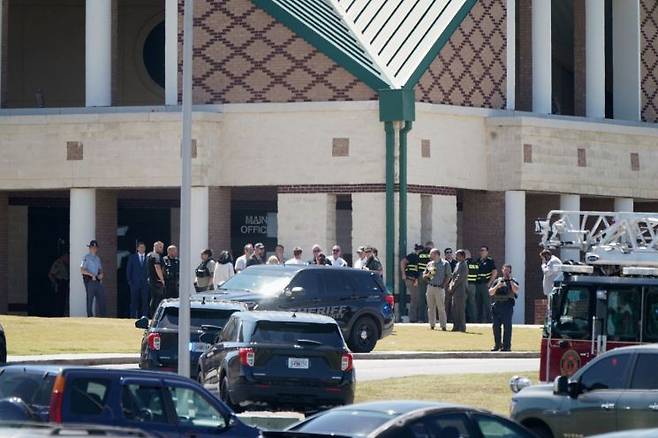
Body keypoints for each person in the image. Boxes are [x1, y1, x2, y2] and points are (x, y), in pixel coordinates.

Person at [488, 264, 519, 351]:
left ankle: (506, 346)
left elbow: (516, 290)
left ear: (510, 271)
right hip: (497, 306)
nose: (506, 272)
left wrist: (510, 281)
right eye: (505, 270)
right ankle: (497, 345)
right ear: (502, 270)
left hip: (507, 306)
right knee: (496, 327)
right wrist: (498, 285)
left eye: (508, 270)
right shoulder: (498, 280)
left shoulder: (513, 281)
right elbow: (490, 292)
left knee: (507, 327)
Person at [423, 248, 452, 331]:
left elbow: (448, 275)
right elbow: (425, 275)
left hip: (439, 288)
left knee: (441, 307)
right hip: (430, 287)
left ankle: (443, 325)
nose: (430, 255)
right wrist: (426, 276)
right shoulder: (430, 264)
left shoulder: (445, 264)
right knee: (430, 307)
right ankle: (432, 325)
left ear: (436, 254)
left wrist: (444, 285)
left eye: (431, 254)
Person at [80, 240, 106, 317]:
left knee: (101, 299)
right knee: (90, 300)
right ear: (90, 248)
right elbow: (82, 270)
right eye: (92, 247)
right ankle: (90, 317)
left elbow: (100, 269)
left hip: (97, 281)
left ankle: (103, 317)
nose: (94, 249)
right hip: (90, 281)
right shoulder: (86, 257)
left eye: (95, 247)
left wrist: (101, 274)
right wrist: (91, 275)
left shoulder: (98, 258)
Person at [400, 244, 423, 323]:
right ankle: (413, 318)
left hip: (415, 280)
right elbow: (403, 262)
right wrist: (403, 274)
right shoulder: (412, 256)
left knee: (417, 298)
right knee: (415, 298)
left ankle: (418, 317)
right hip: (410, 280)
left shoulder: (419, 258)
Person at [126, 241, 149, 318]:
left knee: (145, 301)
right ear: (137, 248)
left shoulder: (148, 258)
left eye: (143, 247)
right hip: (135, 284)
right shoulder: (132, 257)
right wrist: (130, 282)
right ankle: (133, 317)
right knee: (134, 302)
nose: (142, 249)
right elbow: (129, 270)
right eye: (141, 247)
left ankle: (144, 317)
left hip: (145, 284)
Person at [476, 245, 498, 323]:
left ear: (487, 252)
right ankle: (479, 321)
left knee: (487, 304)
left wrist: (490, 283)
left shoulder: (490, 261)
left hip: (485, 285)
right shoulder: (477, 261)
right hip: (478, 285)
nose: (482, 252)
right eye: (481, 250)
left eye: (483, 250)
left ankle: (490, 321)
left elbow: (494, 272)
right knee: (478, 304)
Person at [449, 250, 468, 332]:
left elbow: (459, 278)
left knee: (460, 309)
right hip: (455, 290)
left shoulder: (464, 265)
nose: (456, 257)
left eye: (458, 255)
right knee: (454, 309)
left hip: (460, 290)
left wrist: (452, 286)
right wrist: (450, 285)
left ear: (463, 256)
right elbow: (453, 276)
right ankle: (455, 326)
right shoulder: (457, 264)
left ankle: (462, 327)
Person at [147, 241, 166, 316]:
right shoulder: (156, 256)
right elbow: (157, 267)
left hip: (151, 280)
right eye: (160, 247)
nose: (162, 249)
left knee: (153, 298)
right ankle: (155, 315)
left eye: (162, 247)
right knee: (157, 299)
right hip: (156, 281)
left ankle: (152, 315)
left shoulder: (149, 255)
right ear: (155, 247)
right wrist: (162, 279)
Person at [416, 241, 433, 323]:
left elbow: (417, 266)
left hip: (420, 276)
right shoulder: (432, 254)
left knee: (421, 298)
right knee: (430, 298)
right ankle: (429, 319)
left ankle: (420, 318)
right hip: (429, 276)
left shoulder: (420, 254)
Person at [48, 252, 69, 316]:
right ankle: (58, 314)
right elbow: (50, 274)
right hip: (60, 283)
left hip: (65, 284)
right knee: (59, 301)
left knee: (64, 301)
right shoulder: (58, 263)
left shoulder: (66, 264)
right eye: (67, 256)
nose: (68, 258)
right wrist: (55, 284)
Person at [465, 249, 479, 323]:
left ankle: (464, 320)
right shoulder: (476, 263)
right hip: (473, 285)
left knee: (463, 303)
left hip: (466, 285)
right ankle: (473, 320)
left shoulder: (465, 263)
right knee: (472, 304)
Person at [444, 248, 458, 323]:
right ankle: (445, 319)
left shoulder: (456, 263)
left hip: (454, 284)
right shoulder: (443, 263)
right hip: (446, 284)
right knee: (446, 302)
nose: (449, 254)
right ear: (445, 254)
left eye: (450, 252)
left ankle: (453, 319)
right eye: (447, 252)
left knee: (454, 302)